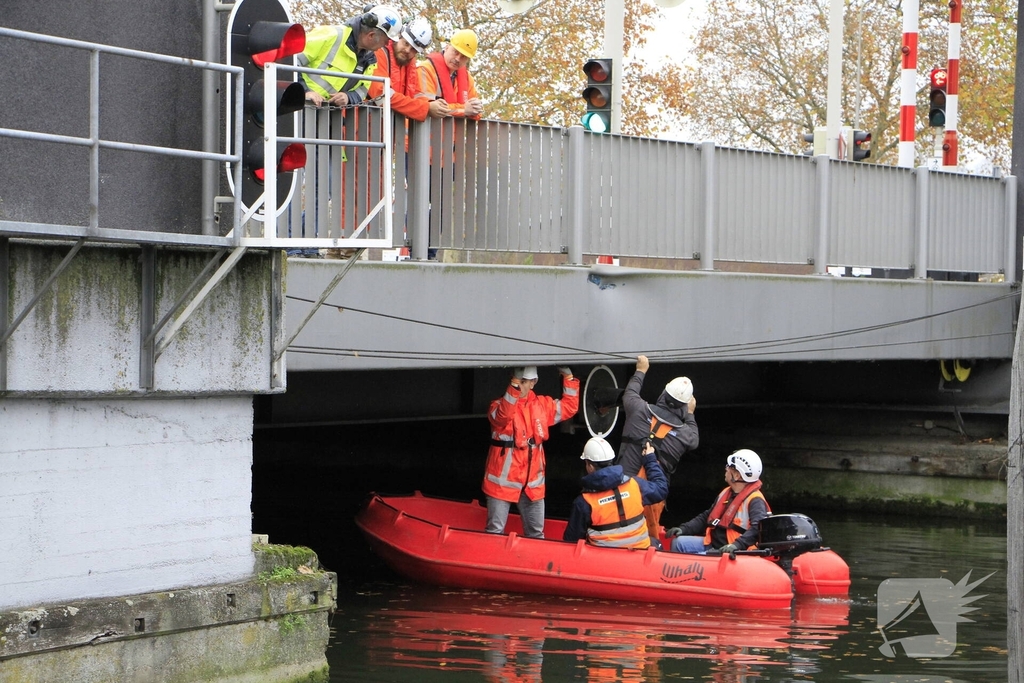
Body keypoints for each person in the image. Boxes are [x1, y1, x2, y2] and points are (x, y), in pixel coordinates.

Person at [482, 366, 580, 538]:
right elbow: (503, 416)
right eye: (516, 382)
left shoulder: (542, 405)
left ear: (533, 383)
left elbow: (569, 407)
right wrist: (513, 387)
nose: (519, 386)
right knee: (494, 532)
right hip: (502, 485)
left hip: (532, 486)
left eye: (523, 382)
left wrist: (569, 378)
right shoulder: (498, 406)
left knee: (536, 534)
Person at [616, 354, 699, 542]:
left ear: (663, 394)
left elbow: (630, 393)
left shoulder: (638, 409)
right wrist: (690, 414)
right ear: (684, 406)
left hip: (621, 489)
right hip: (651, 498)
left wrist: (641, 370)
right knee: (646, 537)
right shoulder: (685, 436)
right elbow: (694, 439)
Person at [563, 438, 669, 549]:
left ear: (590, 466)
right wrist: (650, 459)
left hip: (602, 557)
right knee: (656, 544)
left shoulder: (584, 502)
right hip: (640, 550)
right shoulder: (635, 485)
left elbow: (571, 541)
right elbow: (661, 488)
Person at [666, 449, 770, 554]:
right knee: (677, 543)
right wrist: (684, 529)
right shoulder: (726, 492)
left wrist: (736, 545)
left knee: (696, 558)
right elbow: (707, 516)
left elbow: (758, 528)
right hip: (713, 543)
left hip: (732, 551)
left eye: (729, 467)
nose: (726, 469)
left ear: (737, 475)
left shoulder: (755, 500)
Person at [297, 5, 402, 108]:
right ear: (371, 35)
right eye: (386, 40)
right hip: (299, 106)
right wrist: (305, 91)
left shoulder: (370, 60)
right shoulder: (331, 35)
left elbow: (362, 90)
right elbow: (292, 60)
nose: (386, 44)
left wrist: (348, 97)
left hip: (326, 114)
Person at [368, 17, 451, 121]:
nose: (407, 50)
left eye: (413, 49)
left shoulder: (410, 65)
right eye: (406, 43)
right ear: (399, 36)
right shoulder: (378, 53)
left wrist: (431, 104)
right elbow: (381, 96)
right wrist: (426, 107)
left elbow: (417, 94)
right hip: (368, 125)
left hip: (392, 127)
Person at [416, 29, 484, 119]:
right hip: (425, 127)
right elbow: (427, 107)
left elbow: (477, 113)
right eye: (455, 52)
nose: (458, 59)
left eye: (464, 56)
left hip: (449, 128)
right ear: (447, 47)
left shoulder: (467, 78)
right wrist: (464, 109)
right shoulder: (426, 69)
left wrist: (475, 109)